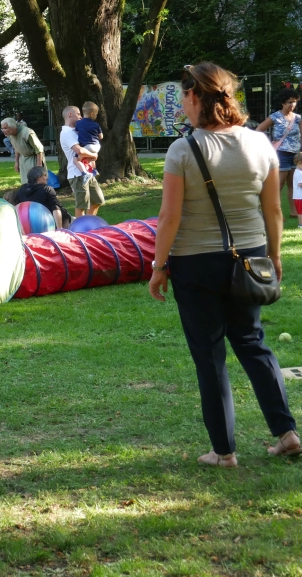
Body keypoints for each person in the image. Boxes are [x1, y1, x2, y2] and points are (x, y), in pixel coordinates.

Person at [149, 61, 298, 468]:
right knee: (252, 343)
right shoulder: (258, 144)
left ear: (195, 96)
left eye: (183, 94)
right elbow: (273, 210)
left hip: (195, 264)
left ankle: (224, 451)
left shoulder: (184, 149)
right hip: (250, 258)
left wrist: (158, 265)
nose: (182, 102)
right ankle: (287, 434)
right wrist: (275, 255)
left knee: (209, 354)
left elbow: (169, 218)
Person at [255, 88, 301, 218]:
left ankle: (293, 212)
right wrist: (267, 145)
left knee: (292, 184)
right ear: (283, 103)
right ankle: (273, 212)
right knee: (278, 185)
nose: (292, 105)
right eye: (289, 102)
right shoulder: (275, 116)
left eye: (295, 102)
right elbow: (259, 130)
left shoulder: (298, 118)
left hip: (296, 156)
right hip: (280, 154)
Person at [59, 105, 105, 217]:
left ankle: (88, 226)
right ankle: (80, 232)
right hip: (77, 174)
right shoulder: (66, 133)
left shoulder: (77, 130)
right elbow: (80, 151)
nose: (81, 117)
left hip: (88, 172)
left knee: (98, 200)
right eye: (78, 114)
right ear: (70, 114)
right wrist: (94, 155)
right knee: (82, 205)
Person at [1, 117, 43, 183]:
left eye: (5, 128)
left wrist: (39, 166)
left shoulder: (27, 133)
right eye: (2, 128)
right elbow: (17, 147)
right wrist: (17, 162)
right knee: (25, 183)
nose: (3, 130)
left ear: (12, 127)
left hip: (33, 159)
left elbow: (39, 149)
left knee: (36, 183)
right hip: (23, 160)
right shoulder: (11, 135)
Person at [75, 102, 104, 174]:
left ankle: (84, 173)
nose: (96, 116)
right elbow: (101, 137)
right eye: (96, 114)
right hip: (97, 146)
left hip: (87, 146)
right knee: (91, 159)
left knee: (76, 160)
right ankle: (94, 170)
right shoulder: (96, 124)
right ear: (92, 114)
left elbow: (76, 133)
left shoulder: (78, 123)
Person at [293, 152, 302, 229]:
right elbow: (300, 184)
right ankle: (300, 224)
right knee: (300, 212)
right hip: (299, 196)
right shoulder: (299, 173)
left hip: (300, 196)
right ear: (299, 163)